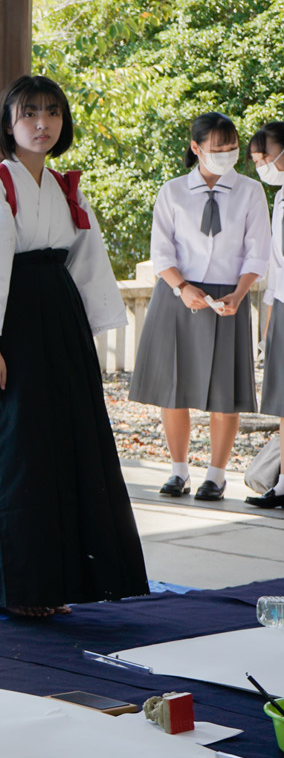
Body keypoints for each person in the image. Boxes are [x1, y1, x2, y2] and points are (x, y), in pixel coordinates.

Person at [0, 74, 147, 616]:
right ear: (9, 122)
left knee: (65, 447)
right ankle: (13, 588)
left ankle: (59, 584)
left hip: (60, 323)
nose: (42, 123)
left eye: (53, 112)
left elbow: (87, 262)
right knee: (18, 451)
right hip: (12, 325)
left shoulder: (66, 187)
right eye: (30, 113)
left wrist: (86, 339)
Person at [130, 111, 270, 502]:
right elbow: (161, 251)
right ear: (196, 147)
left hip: (229, 297)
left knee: (224, 391)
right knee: (174, 389)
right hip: (178, 296)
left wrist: (239, 294)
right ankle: (178, 471)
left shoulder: (250, 192)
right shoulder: (172, 191)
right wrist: (181, 287)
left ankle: (216, 475)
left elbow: (257, 252)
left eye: (232, 147)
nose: (227, 154)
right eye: (218, 148)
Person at [248, 121, 284, 509]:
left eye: (266, 157)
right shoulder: (280, 198)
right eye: (257, 160)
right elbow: (276, 266)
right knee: (283, 401)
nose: (263, 166)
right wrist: (269, 323)